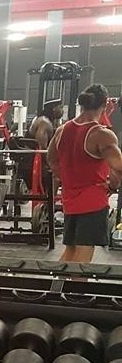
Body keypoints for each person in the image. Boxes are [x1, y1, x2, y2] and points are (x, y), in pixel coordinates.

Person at [47, 84, 122, 263]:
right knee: (83, 255)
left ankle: (56, 290)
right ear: (104, 105)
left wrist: (69, 180)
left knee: (70, 251)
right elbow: (118, 166)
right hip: (92, 201)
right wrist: (112, 185)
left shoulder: (61, 130)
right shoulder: (102, 134)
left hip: (70, 199)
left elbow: (52, 161)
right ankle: (73, 290)